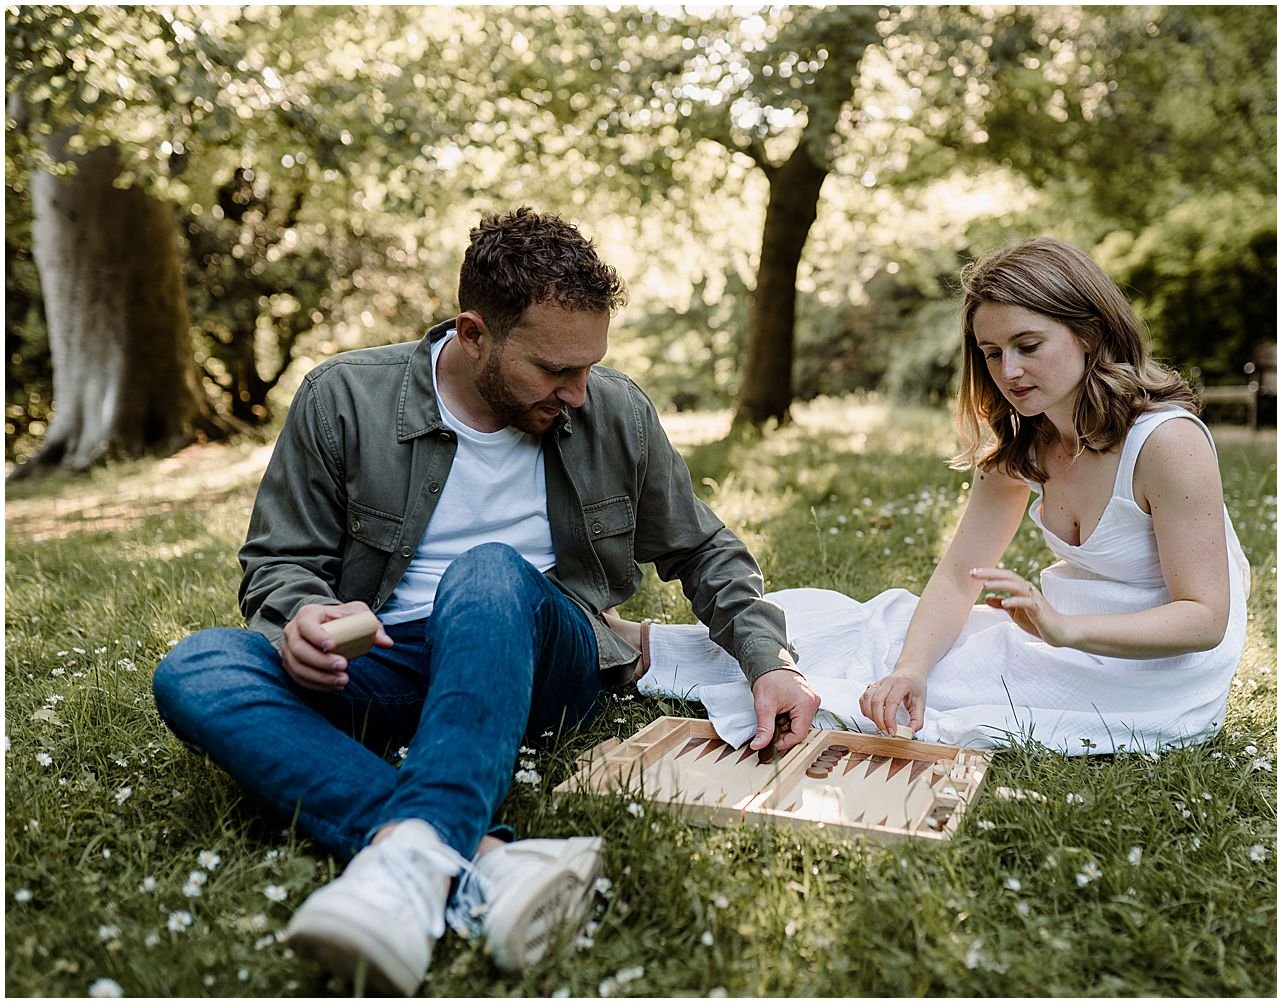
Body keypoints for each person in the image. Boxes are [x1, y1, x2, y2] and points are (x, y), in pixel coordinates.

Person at [152, 207, 818, 995]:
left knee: (487, 571)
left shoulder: (613, 410)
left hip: (541, 654)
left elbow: (704, 548)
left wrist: (766, 660)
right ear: (474, 333)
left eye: (588, 368)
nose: (577, 392)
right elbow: (278, 562)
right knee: (197, 667)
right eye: (552, 370)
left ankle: (412, 865)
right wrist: (300, 614)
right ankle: (481, 860)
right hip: (387, 665)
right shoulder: (343, 399)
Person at [616, 236, 1250, 756]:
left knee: (947, 678)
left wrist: (1064, 628)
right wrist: (911, 670)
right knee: (880, 627)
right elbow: (956, 577)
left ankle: (649, 659)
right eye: (992, 353)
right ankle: (640, 646)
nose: (1010, 373)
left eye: (1029, 347)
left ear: (1088, 333)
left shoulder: (1167, 443)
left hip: (1156, 669)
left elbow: (1205, 618)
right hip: (1069, 629)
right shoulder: (1026, 440)